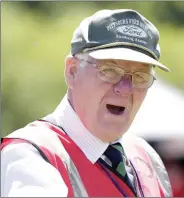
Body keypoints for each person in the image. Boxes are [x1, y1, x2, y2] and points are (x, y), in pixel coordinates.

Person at [1, 9, 173, 197]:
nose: (125, 88)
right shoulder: (32, 155)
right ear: (72, 71)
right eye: (110, 70)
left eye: (140, 76)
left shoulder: (147, 158)